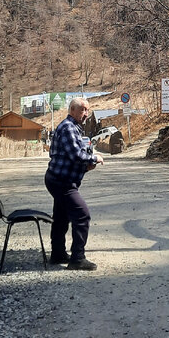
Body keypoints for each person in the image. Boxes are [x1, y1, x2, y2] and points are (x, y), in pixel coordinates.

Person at [44, 97, 104, 270]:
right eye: (82, 109)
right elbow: (77, 156)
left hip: (59, 179)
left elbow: (69, 159)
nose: (85, 113)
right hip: (62, 182)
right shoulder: (69, 127)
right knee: (82, 214)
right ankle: (78, 258)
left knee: (61, 216)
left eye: (87, 110)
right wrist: (95, 158)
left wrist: (86, 168)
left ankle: (57, 253)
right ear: (72, 110)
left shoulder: (72, 127)